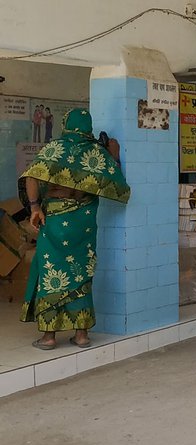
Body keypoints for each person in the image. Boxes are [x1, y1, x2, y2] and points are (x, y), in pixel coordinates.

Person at [18, 109, 131, 350]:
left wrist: (35, 207)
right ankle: (81, 336)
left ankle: (49, 337)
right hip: (84, 224)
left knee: (51, 272)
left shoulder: (54, 149)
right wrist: (115, 153)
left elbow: (31, 177)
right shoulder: (97, 152)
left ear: (66, 123)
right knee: (81, 273)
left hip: (55, 222)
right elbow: (117, 183)